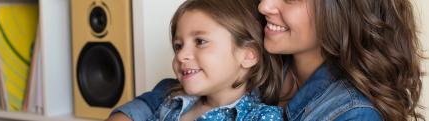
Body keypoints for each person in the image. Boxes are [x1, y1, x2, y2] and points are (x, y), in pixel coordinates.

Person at [107, 0, 424, 121]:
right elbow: (175, 95)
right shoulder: (263, 59)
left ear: (340, 11)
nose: (264, 5)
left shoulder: (351, 114)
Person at [148, 0, 283, 120]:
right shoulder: (172, 103)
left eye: (200, 41)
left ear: (248, 55)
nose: (181, 55)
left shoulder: (262, 117)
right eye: (178, 46)